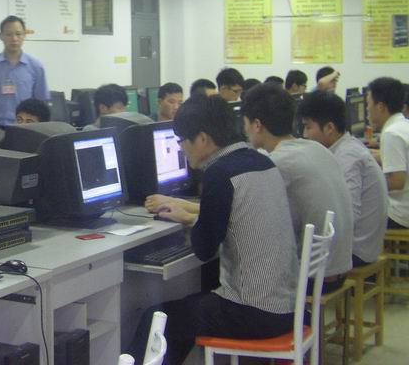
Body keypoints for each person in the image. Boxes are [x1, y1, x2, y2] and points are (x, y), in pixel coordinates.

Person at [128, 95, 296, 365]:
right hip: (286, 305)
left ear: (203, 139)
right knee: (184, 313)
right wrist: (193, 216)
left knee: (157, 319)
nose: (181, 148)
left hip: (253, 312)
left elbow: (203, 249)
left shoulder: (220, 173)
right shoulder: (262, 162)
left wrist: (190, 221)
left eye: (181, 140)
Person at [242, 83, 353, 288]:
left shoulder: (277, 163)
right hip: (339, 267)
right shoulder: (316, 148)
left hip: (313, 279)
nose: (245, 129)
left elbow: (243, 212)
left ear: (257, 125)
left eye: (245, 122)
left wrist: (190, 214)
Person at [299, 91, 388, 266]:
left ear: (329, 128)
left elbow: (347, 216)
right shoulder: (347, 147)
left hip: (356, 251)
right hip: (363, 244)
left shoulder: (346, 157)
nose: (304, 134)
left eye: (308, 127)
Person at [0, 16, 49, 143]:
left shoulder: (36, 66)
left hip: (26, 131)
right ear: (1, 36)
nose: (14, 39)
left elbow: (40, 102)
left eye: (18, 34)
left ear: (24, 35)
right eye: (9, 34)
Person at [366, 77, 409, 229]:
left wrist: (367, 184)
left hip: (400, 215)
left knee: (356, 213)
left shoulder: (392, 133)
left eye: (368, 104)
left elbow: (397, 182)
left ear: (380, 107)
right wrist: (377, 157)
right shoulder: (403, 124)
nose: (367, 110)